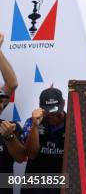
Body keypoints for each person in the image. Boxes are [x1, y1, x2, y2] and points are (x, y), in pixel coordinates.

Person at [22, 87, 66, 194]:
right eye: (48, 112)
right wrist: (35, 125)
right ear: (40, 109)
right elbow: (31, 154)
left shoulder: (73, 124)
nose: (53, 116)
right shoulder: (31, 122)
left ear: (64, 104)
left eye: (56, 111)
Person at [0, 32, 25, 193]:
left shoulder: (11, 127)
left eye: (1, 101)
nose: (1, 105)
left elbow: (20, 158)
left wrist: (9, 137)